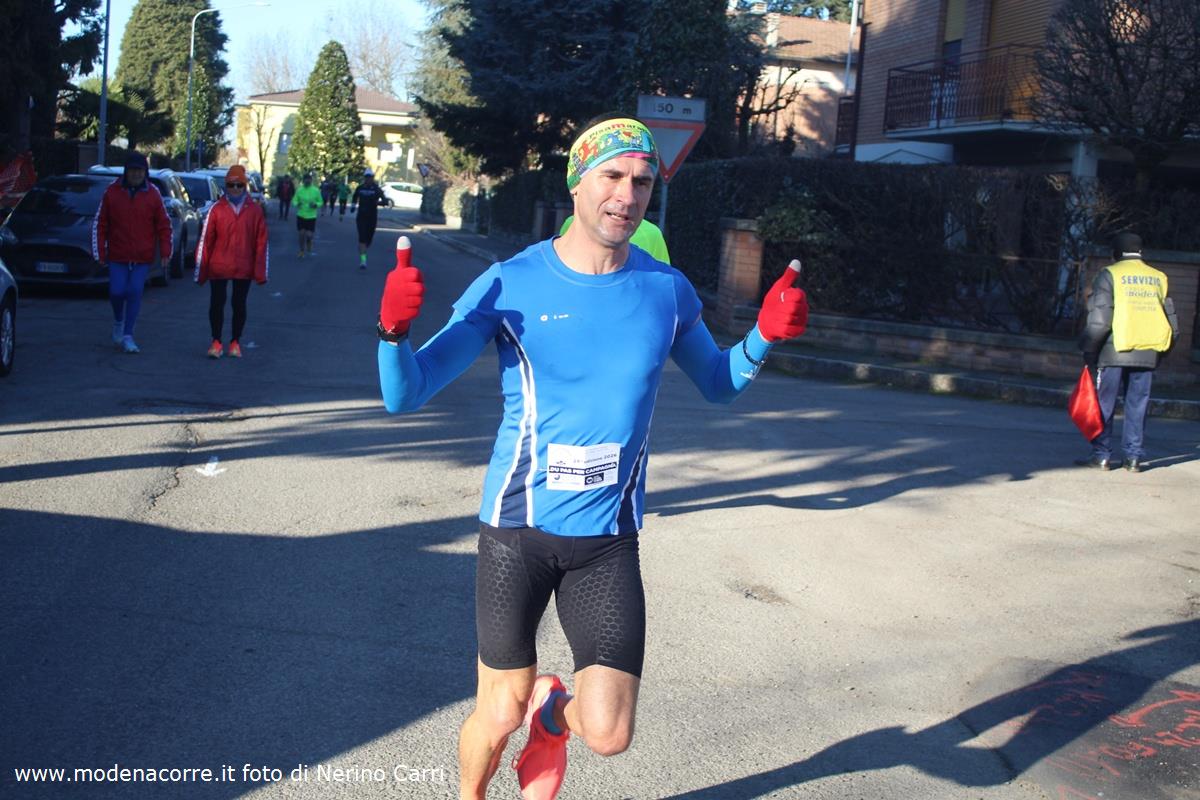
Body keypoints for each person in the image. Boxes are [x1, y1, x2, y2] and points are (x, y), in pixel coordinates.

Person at [375, 115, 809, 800]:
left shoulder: (665, 290)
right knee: (498, 712)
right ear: (578, 182)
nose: (627, 195)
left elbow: (718, 385)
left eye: (642, 181)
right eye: (612, 176)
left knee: (608, 733)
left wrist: (762, 337)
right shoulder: (510, 283)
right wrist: (392, 332)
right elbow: (407, 393)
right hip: (517, 532)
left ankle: (554, 716)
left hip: (607, 542)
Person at [1076, 231, 1179, 473]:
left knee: (1105, 404)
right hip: (1148, 350)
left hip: (1113, 351)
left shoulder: (1110, 274)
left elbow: (1100, 321)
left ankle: (1101, 455)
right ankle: (1133, 458)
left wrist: (1088, 350)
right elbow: (1172, 323)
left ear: (1115, 253)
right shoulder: (1158, 277)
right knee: (1138, 405)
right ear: (1140, 252)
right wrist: (1162, 352)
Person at [91, 151, 172, 354]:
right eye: (133, 170)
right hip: (118, 254)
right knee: (116, 292)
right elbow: (100, 223)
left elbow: (164, 225)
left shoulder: (153, 194)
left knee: (135, 291)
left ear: (145, 172)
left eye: (140, 170)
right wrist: (100, 251)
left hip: (142, 256)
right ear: (126, 171)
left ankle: (128, 335)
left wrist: (165, 251)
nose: (136, 174)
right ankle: (119, 320)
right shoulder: (112, 192)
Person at [194, 165, 269, 359]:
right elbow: (206, 240)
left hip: (244, 266)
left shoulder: (255, 211)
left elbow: (261, 242)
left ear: (245, 186)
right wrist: (201, 269)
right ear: (226, 186)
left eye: (239, 185)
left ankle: (235, 341)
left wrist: (260, 271)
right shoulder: (216, 209)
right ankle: (216, 341)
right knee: (217, 303)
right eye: (231, 185)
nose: (235, 189)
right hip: (219, 265)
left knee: (239, 304)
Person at [559, 214, 670, 264]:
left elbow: (663, 285)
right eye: (612, 178)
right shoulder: (573, 223)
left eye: (640, 183)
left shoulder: (651, 234)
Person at [350, 168, 385, 270]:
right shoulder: (360, 188)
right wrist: (353, 206)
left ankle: (363, 249)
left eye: (370, 177)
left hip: (372, 217)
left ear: (373, 178)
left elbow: (384, 200)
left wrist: (379, 203)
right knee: (362, 238)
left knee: (368, 240)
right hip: (361, 217)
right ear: (364, 178)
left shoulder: (376, 189)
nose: (368, 179)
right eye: (367, 177)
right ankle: (363, 261)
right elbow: (355, 197)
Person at [292, 173, 322, 258]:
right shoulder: (299, 190)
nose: (307, 181)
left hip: (311, 216)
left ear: (311, 181)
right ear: (303, 181)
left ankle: (309, 241)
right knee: (301, 234)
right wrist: (297, 203)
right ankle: (301, 251)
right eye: (305, 180)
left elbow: (321, 201)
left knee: (309, 235)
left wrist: (315, 205)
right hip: (301, 215)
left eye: (309, 180)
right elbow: (294, 200)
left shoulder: (316, 190)